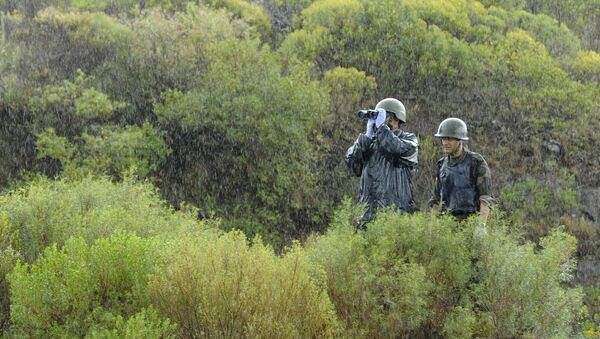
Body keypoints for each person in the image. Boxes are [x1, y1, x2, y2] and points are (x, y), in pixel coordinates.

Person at [346, 98, 419, 226]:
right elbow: (352, 163)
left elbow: (396, 149)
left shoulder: (408, 139)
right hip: (367, 217)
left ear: (397, 120)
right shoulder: (370, 143)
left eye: (388, 119)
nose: (383, 122)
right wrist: (366, 137)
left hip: (395, 216)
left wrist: (382, 129)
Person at [428, 118, 493, 223]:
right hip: (447, 222)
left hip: (470, 222)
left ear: (459, 140)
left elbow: (485, 197)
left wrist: (482, 225)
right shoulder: (442, 165)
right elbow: (435, 200)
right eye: (443, 139)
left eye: (449, 139)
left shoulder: (475, 162)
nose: (445, 143)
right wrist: (432, 227)